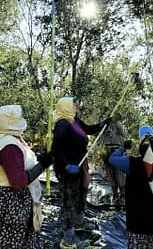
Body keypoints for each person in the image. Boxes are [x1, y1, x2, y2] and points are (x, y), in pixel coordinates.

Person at [0, 105, 53, 249]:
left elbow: (19, 163)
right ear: (10, 121)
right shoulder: (9, 146)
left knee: (15, 240)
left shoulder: (8, 137)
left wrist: (37, 161)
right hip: (12, 202)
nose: (23, 120)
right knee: (11, 241)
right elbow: (18, 181)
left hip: (11, 199)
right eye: (19, 117)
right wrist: (42, 165)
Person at [50, 97, 111, 248]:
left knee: (81, 193)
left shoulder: (74, 120)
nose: (76, 105)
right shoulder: (62, 124)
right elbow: (56, 149)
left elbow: (88, 129)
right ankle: (68, 238)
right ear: (66, 107)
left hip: (79, 165)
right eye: (73, 104)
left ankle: (79, 221)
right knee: (69, 201)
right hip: (68, 169)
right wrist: (66, 166)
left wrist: (102, 124)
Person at [108, 125, 153, 249]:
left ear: (141, 146)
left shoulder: (131, 163)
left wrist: (123, 148)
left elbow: (112, 158)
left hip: (139, 225)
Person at [100, 119, 127, 205]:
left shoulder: (120, 127)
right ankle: (115, 195)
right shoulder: (105, 126)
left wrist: (115, 121)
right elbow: (101, 135)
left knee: (120, 175)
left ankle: (123, 196)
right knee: (110, 174)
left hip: (117, 149)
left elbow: (121, 131)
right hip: (106, 149)